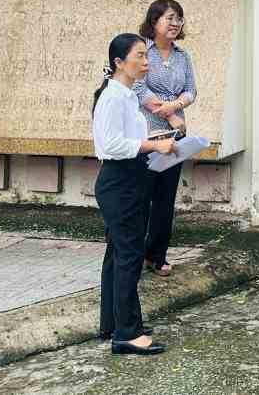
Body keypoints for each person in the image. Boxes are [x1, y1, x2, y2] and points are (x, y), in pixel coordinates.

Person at [92, 33, 175, 356]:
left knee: (118, 254)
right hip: (119, 182)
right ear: (119, 62)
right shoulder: (112, 97)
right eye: (140, 56)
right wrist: (154, 145)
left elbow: (127, 138)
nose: (146, 62)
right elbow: (111, 145)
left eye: (146, 56)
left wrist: (157, 137)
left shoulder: (126, 96)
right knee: (129, 256)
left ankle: (113, 322)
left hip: (130, 179)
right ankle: (126, 333)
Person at [134, 0, 197, 278]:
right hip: (149, 132)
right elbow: (137, 86)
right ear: (154, 21)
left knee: (165, 199)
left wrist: (177, 106)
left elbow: (191, 90)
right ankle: (134, 254)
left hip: (176, 135)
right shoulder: (143, 52)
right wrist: (168, 114)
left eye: (179, 19)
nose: (175, 24)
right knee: (142, 197)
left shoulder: (183, 56)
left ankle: (156, 255)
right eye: (170, 18)